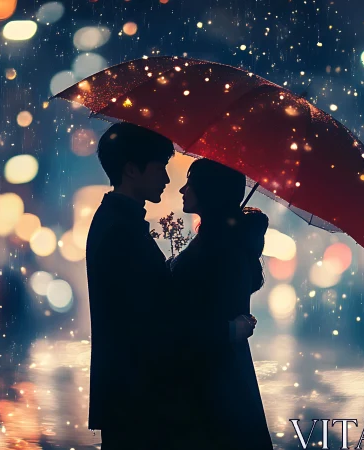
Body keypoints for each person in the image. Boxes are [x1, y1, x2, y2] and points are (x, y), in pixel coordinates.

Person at [85, 123, 255, 449]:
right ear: (132, 169)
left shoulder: (119, 223)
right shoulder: (121, 232)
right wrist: (226, 331)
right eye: (160, 167)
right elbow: (154, 325)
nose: (166, 179)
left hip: (135, 397)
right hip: (139, 401)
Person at [169, 158, 273, 450]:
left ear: (209, 190)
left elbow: (199, 313)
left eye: (190, 182)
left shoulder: (221, 247)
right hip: (222, 376)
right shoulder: (219, 241)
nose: (182, 189)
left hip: (212, 381)